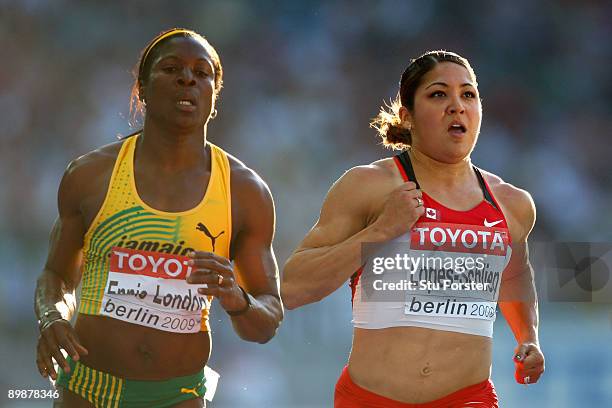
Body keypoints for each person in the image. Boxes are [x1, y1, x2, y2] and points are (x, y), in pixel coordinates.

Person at [34, 28, 283, 408]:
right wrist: (52, 317)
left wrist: (236, 298)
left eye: (202, 73)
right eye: (172, 68)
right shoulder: (90, 176)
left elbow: (266, 322)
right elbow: (57, 276)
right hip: (86, 390)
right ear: (142, 90)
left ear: (214, 97)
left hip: (178, 396)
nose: (188, 78)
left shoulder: (244, 192)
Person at [281, 51, 544, 407]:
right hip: (371, 399)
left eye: (468, 94)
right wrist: (378, 232)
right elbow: (292, 288)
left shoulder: (511, 203)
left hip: (468, 398)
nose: (457, 106)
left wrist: (528, 336)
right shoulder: (368, 185)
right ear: (408, 117)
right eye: (438, 94)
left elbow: (514, 274)